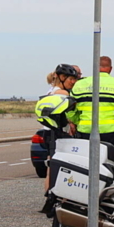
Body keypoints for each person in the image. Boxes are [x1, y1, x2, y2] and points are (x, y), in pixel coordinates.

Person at [67, 55, 114, 152]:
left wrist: (78, 122)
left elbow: (70, 110)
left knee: (86, 159)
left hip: (85, 131)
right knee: (109, 159)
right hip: (111, 132)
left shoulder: (79, 84)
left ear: (95, 67)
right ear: (110, 69)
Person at [36, 64, 81, 215]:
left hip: (48, 133)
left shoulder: (50, 91)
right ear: (62, 77)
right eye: (71, 79)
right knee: (63, 168)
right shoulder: (62, 93)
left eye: (75, 79)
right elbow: (72, 110)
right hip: (57, 134)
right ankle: (59, 201)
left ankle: (49, 199)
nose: (74, 82)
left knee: (51, 167)